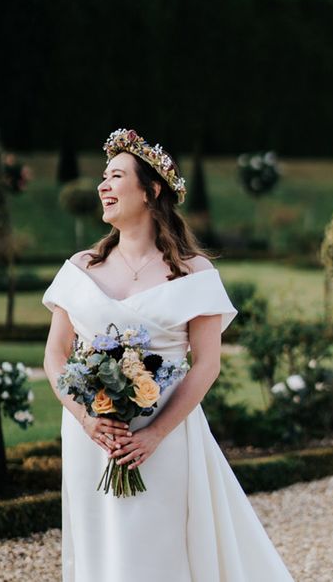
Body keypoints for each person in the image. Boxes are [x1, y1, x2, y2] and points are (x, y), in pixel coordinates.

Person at [42, 128, 293, 581]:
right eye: (104, 176)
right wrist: (86, 419)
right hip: (91, 440)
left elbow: (208, 364)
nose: (102, 186)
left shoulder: (194, 273)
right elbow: (56, 357)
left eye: (115, 176)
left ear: (151, 190)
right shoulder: (81, 268)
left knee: (160, 550)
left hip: (165, 441)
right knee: (101, 548)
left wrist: (155, 434)